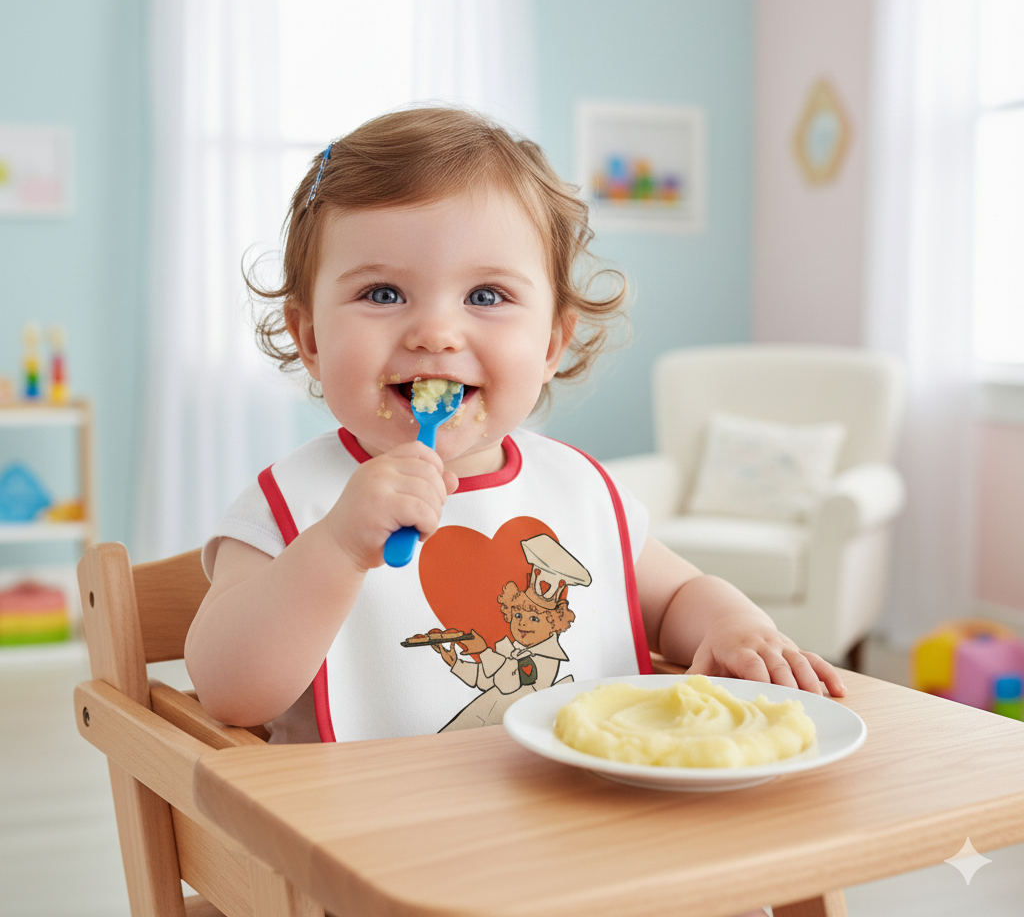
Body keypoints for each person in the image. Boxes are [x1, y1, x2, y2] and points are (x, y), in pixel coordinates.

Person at [186, 106, 846, 751]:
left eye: (486, 296)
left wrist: (733, 624)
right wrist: (335, 547)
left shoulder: (577, 488)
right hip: (369, 842)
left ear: (554, 342)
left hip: (582, 826)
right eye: (383, 293)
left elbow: (676, 599)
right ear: (309, 338)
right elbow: (229, 692)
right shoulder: (289, 505)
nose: (436, 334)